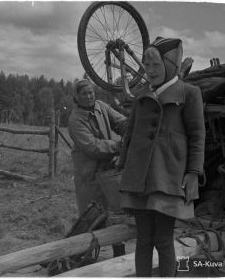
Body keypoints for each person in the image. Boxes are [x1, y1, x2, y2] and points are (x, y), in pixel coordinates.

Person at [118, 37, 205, 277]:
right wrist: (124, 167)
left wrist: (194, 173)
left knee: (164, 240)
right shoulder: (142, 95)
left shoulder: (189, 93)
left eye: (155, 64)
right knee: (143, 240)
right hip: (140, 179)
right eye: (146, 65)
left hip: (169, 177)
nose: (150, 70)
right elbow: (130, 134)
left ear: (171, 63)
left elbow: (197, 135)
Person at [68, 79, 127, 219]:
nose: (88, 96)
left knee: (115, 215)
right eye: (84, 94)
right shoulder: (75, 120)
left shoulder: (101, 107)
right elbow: (93, 147)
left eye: (90, 92)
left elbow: (120, 122)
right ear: (76, 97)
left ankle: (115, 241)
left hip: (107, 172)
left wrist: (131, 128)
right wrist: (119, 145)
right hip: (89, 177)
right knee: (92, 217)